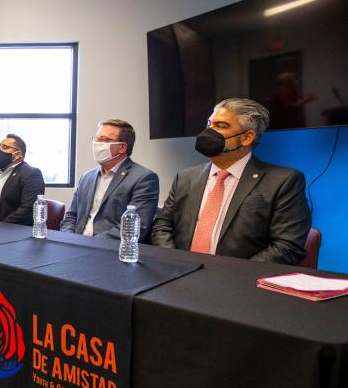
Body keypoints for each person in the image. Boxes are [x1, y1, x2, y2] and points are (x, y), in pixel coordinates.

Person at [151, 97, 311, 265]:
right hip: (179, 275)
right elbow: (163, 226)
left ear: (247, 138)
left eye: (220, 126)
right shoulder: (185, 177)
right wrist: (176, 262)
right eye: (209, 125)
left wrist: (228, 273)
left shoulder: (284, 181)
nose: (208, 132)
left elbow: (287, 247)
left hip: (237, 282)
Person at [60, 119, 159, 241]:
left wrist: (91, 244)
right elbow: (71, 216)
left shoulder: (144, 178)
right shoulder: (87, 177)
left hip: (111, 251)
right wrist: (69, 239)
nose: (97, 143)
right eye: (96, 138)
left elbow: (135, 227)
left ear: (122, 147)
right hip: (77, 245)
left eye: (105, 140)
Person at [0, 134, 45, 226]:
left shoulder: (31, 174)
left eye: (4, 147)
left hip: (13, 231)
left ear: (18, 155)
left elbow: (27, 209)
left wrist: (1, 228)